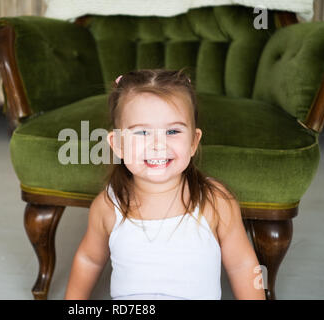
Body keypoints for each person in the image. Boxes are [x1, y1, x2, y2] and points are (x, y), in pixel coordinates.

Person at [64, 69, 266, 300]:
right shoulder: (109, 205)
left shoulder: (216, 201)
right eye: (142, 132)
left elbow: (242, 264)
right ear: (117, 144)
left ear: (193, 141)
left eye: (172, 131)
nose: (158, 145)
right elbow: (89, 259)